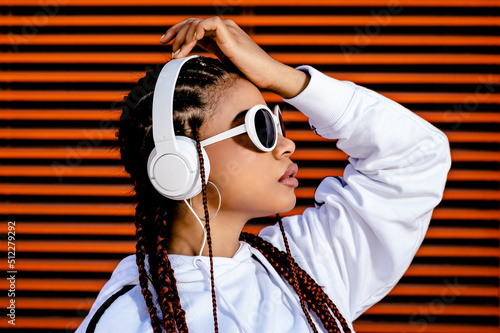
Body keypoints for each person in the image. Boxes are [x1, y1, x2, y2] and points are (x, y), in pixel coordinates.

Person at [76, 17, 451, 333]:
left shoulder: (303, 267)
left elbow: (416, 155)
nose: (286, 144)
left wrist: (284, 78)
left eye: (278, 120)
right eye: (261, 127)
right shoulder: (128, 319)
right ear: (182, 163)